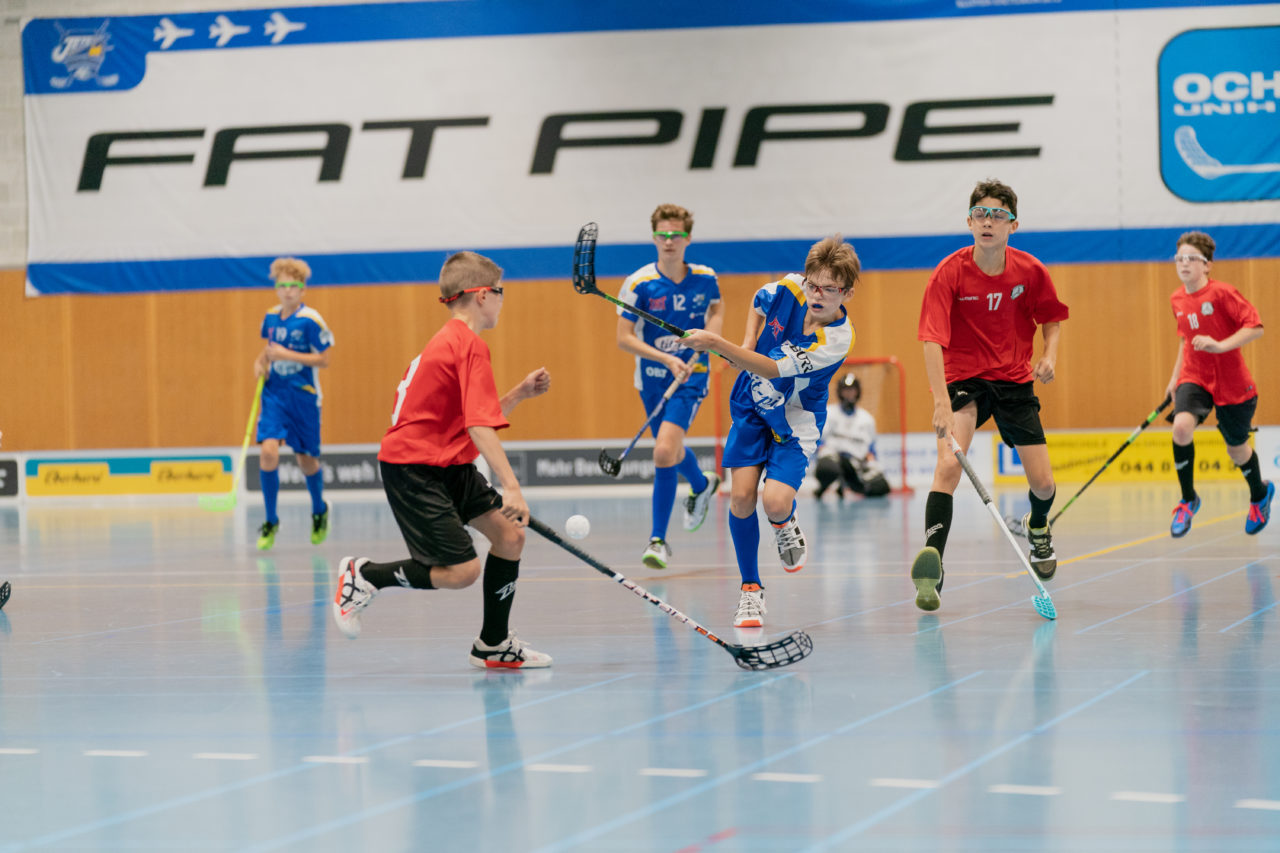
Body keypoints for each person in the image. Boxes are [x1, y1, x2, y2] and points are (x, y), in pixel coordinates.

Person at [332, 251, 553, 669]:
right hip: (414, 469)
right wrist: (512, 487)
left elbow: (473, 417)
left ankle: (493, 643)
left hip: (447, 462)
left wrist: (519, 394)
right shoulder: (467, 346)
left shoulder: (452, 342)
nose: (503, 301)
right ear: (483, 295)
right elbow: (477, 426)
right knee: (461, 572)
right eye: (501, 293)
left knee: (509, 537)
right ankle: (365, 575)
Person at [684, 235, 859, 628]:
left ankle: (785, 525)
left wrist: (716, 343)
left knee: (775, 502)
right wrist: (746, 341)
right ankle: (750, 590)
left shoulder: (835, 340)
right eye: (813, 284)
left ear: (845, 293)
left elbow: (771, 368)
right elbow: (759, 301)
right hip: (751, 406)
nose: (816, 295)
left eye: (829, 289)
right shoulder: (790, 286)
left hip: (795, 419)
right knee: (742, 499)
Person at [911, 179, 1070, 612]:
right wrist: (942, 401)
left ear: (1013, 225)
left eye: (997, 215)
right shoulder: (950, 272)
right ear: (968, 221)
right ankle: (933, 567)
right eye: (980, 213)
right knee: (949, 464)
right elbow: (930, 339)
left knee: (1043, 483)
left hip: (1015, 379)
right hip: (963, 378)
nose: (988, 221)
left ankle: (1038, 528)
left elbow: (1052, 318)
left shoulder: (1031, 271)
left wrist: (1049, 356)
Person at [617, 203, 725, 569]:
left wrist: (709, 340)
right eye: (662, 235)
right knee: (671, 448)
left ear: (687, 238)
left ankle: (658, 541)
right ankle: (701, 484)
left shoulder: (705, 277)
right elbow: (624, 338)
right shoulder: (638, 283)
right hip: (651, 379)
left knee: (663, 452)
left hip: (692, 377)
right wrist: (665, 358)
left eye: (675, 235)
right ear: (653, 237)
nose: (668, 241)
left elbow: (716, 309)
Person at [1164, 231, 1271, 537]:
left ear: (1207, 265)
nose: (1184, 264)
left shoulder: (1223, 293)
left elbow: (1256, 327)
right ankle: (1188, 500)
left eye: (1191, 259)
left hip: (1232, 382)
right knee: (1181, 427)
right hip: (1195, 376)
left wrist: (1220, 345)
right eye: (1179, 258)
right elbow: (1186, 338)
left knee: (1237, 450)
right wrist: (1175, 377)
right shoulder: (1176, 299)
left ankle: (1259, 496)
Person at [253, 257, 334, 551]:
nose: (287, 291)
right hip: (274, 394)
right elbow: (269, 349)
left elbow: (323, 359)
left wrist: (286, 355)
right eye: (282, 285)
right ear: (276, 287)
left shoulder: (311, 320)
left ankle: (319, 509)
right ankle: (271, 519)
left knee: (306, 460)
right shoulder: (271, 318)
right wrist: (260, 361)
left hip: (304, 396)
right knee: (268, 453)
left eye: (293, 286)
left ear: (302, 290)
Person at [812, 372, 890, 499]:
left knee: (881, 487)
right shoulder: (829, 413)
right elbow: (819, 442)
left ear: (857, 392)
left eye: (852, 390)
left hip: (855, 464)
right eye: (846, 390)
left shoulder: (867, 419)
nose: (849, 394)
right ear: (840, 392)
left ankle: (849, 485)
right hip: (833, 458)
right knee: (827, 467)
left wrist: (873, 466)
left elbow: (871, 450)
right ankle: (825, 486)